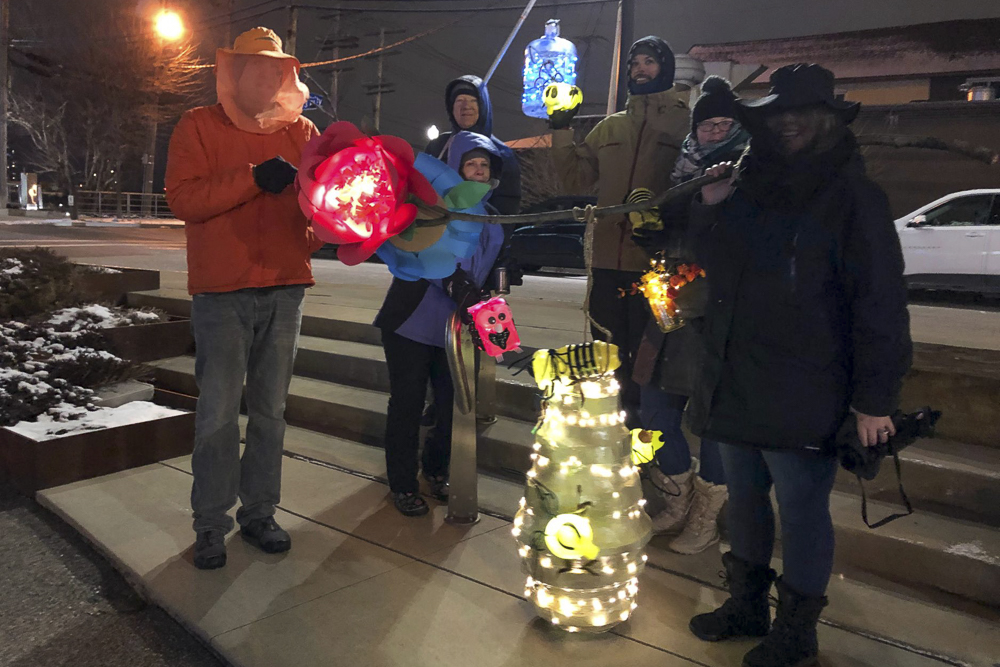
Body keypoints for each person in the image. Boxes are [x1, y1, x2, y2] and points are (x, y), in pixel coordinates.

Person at [685, 64, 912, 667]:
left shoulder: (853, 197)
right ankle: (747, 604)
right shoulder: (747, 185)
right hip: (737, 373)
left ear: (829, 121)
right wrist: (711, 205)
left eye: (802, 113)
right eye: (778, 113)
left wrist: (875, 398)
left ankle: (797, 629)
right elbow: (716, 265)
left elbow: (880, 301)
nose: (788, 123)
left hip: (807, 383)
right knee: (748, 500)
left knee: (802, 508)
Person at [165, 27, 321, 570]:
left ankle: (260, 512)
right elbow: (184, 199)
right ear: (233, 74)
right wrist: (252, 177)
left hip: (284, 288)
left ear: (286, 77)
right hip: (222, 291)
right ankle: (210, 523)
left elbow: (323, 212)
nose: (267, 78)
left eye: (275, 71)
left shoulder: (303, 131)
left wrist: (328, 226)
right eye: (255, 69)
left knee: (271, 413)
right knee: (216, 415)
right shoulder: (198, 125)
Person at [631, 76, 750, 555]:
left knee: (712, 421)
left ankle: (706, 514)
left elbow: (730, 246)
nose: (715, 133)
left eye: (725, 124)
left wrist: (712, 203)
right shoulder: (680, 175)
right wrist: (651, 232)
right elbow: (672, 240)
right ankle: (677, 497)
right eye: (707, 125)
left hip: (717, 322)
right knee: (655, 409)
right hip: (667, 312)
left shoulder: (749, 179)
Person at [549, 36, 690, 426]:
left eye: (649, 62)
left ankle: (651, 439)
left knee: (651, 356)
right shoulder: (611, 127)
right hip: (606, 260)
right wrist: (561, 129)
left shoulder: (685, 123)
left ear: (665, 69)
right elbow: (576, 175)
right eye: (635, 63)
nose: (640, 69)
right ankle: (609, 434)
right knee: (606, 351)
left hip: (656, 265)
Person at [373, 133, 505, 516]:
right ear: (456, 168)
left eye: (485, 166)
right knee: (408, 405)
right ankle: (402, 482)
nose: (478, 172)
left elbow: (490, 263)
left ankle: (436, 470)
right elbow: (415, 249)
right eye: (471, 165)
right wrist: (450, 280)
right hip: (411, 322)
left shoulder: (494, 216)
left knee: (451, 407)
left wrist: (495, 284)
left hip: (456, 327)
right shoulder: (432, 205)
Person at [425, 75, 522, 216]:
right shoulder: (438, 146)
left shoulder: (501, 153)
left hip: (482, 231)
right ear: (451, 107)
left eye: (473, 100)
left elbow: (508, 203)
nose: (466, 106)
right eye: (460, 101)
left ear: (483, 106)